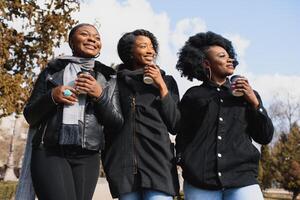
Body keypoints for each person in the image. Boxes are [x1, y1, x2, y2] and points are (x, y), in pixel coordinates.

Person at [22, 23, 123, 200]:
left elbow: (115, 122)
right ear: (71, 41)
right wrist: (52, 96)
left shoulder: (107, 77)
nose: (92, 39)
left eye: (97, 37)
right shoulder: (52, 72)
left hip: (88, 154)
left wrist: (99, 95)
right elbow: (30, 116)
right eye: (85, 34)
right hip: (49, 151)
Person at [175, 31, 274, 200]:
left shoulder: (248, 95)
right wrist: (184, 160)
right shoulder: (193, 96)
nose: (230, 60)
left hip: (243, 180)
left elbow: (265, 136)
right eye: (222, 56)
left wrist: (254, 103)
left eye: (230, 56)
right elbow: (182, 135)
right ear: (207, 63)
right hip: (200, 182)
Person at [102, 29, 180, 200]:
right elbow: (107, 122)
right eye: (143, 46)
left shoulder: (167, 82)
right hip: (123, 169)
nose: (150, 51)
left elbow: (175, 124)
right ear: (129, 52)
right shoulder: (114, 83)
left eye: (152, 47)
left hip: (159, 166)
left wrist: (161, 87)